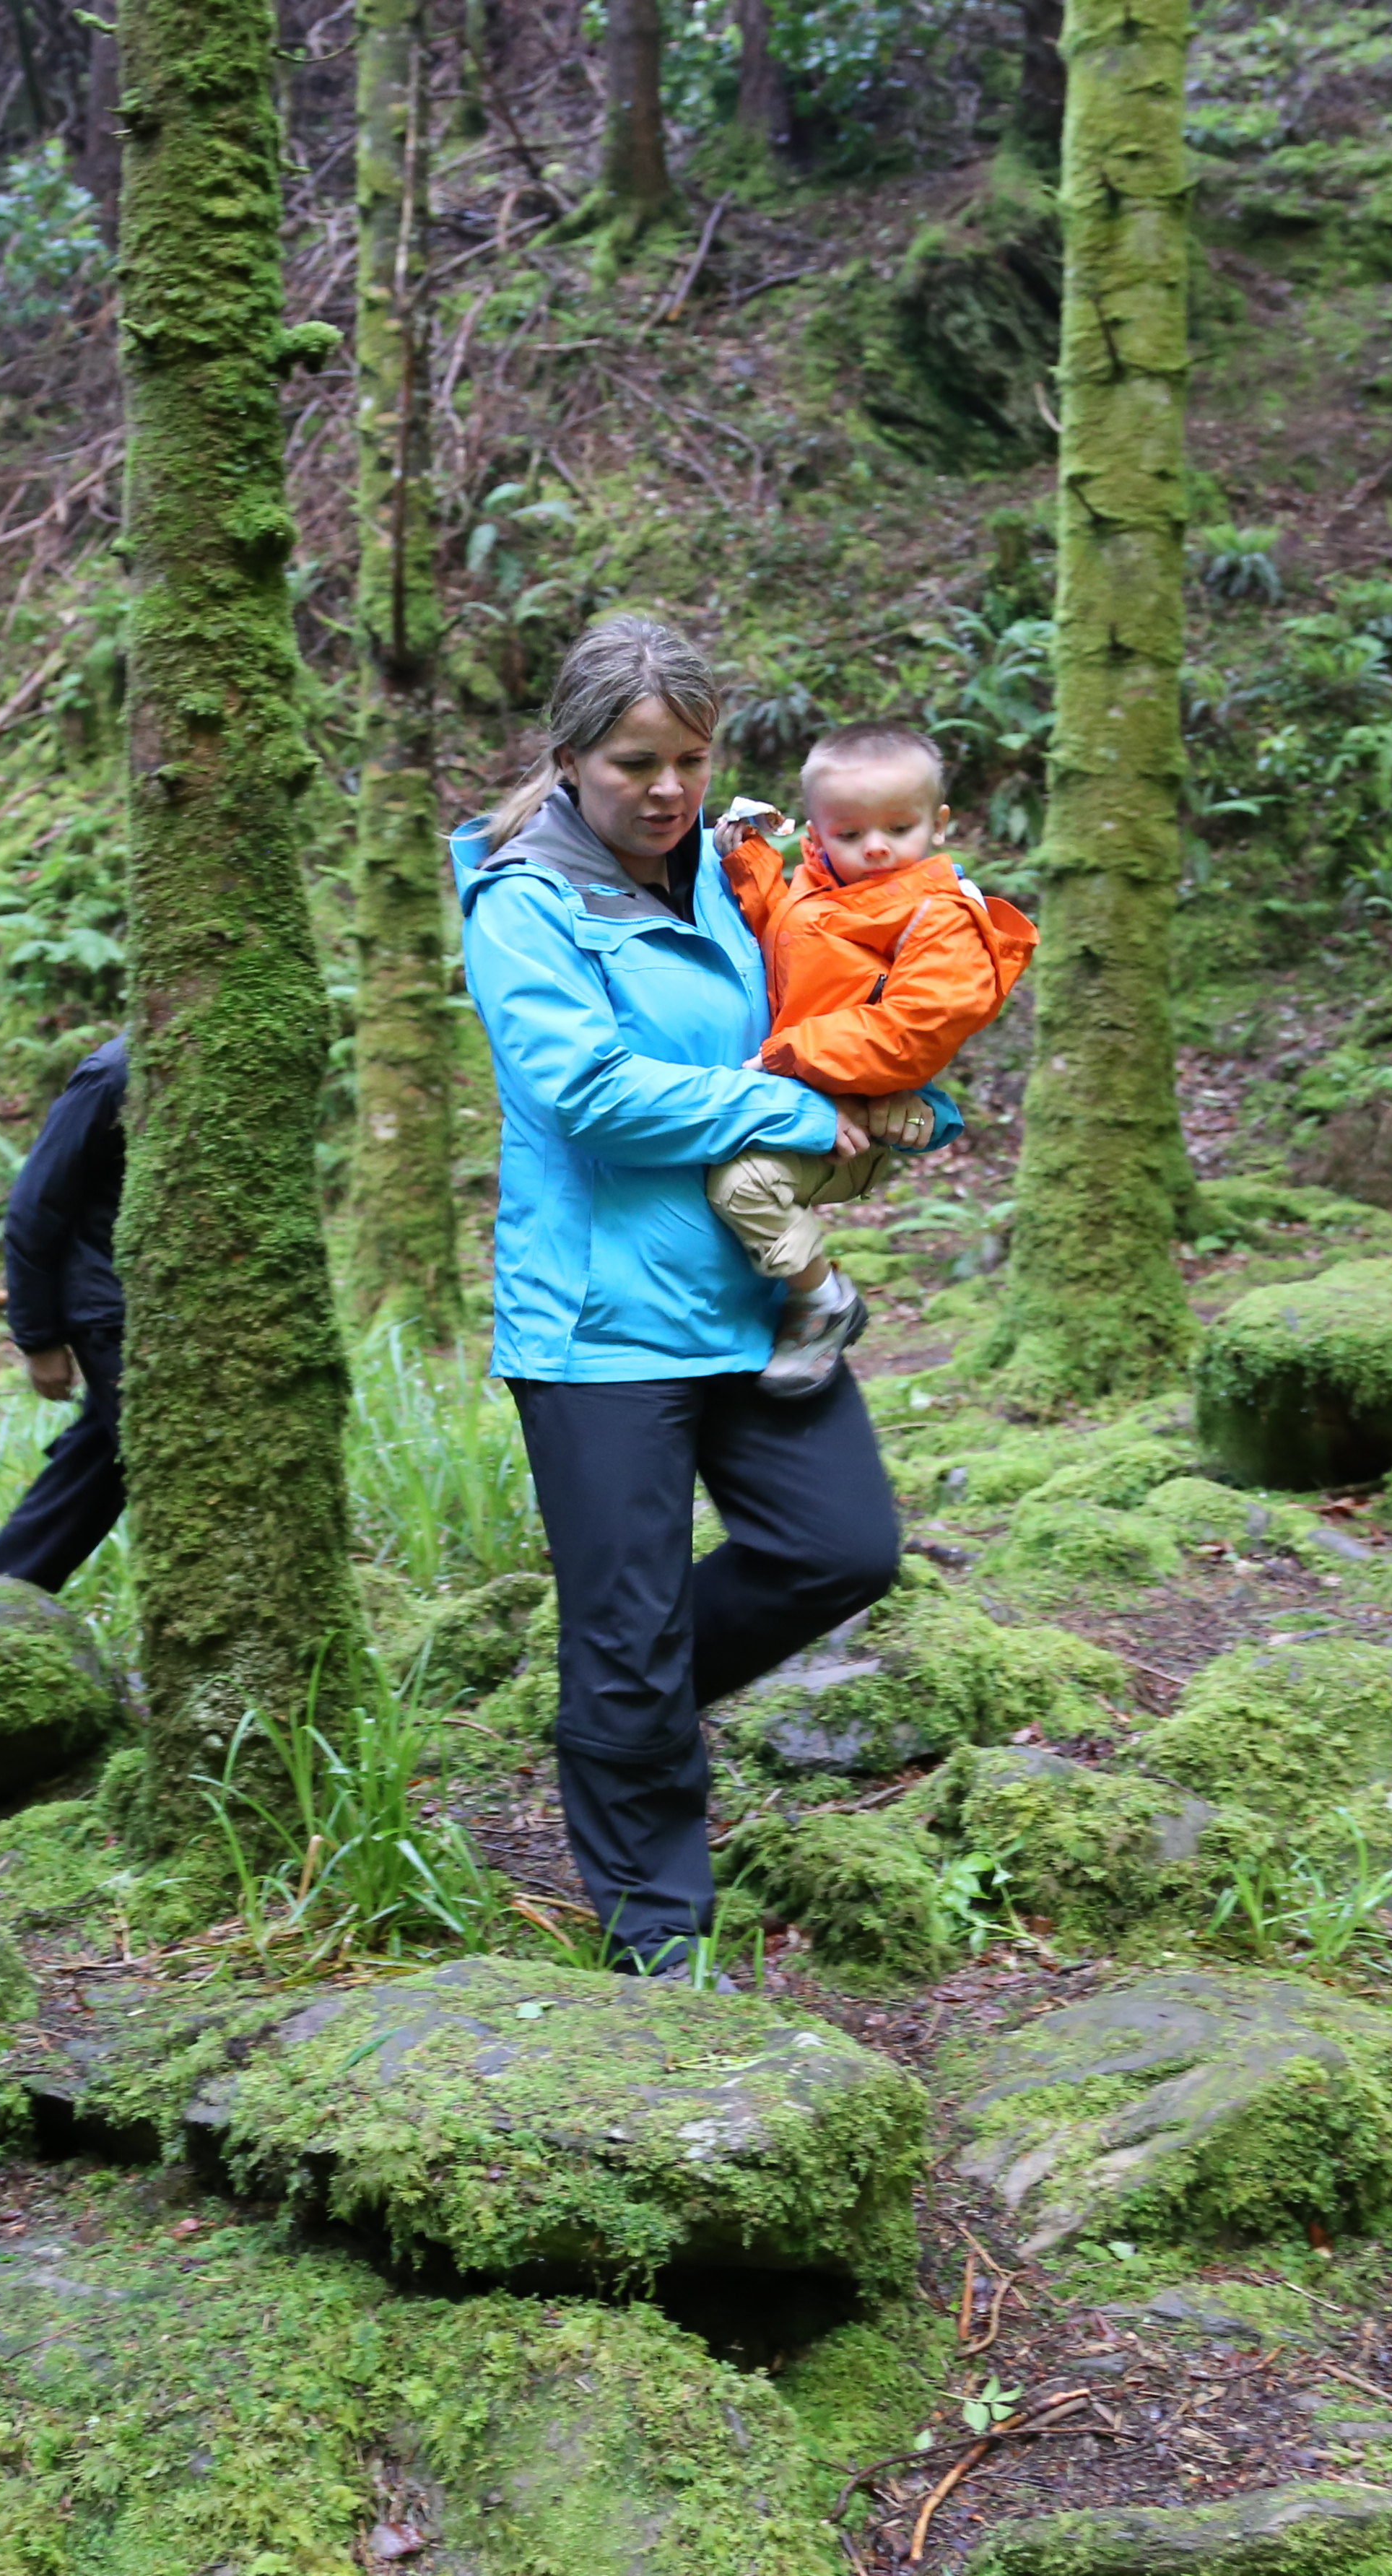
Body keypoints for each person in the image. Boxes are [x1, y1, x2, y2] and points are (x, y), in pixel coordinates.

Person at [454, 617, 908, 1977]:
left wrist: (887, 1089)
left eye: (689, 759)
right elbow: (579, 1089)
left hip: (751, 1292)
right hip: (602, 1323)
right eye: (634, 761)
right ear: (573, 755)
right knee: (628, 1623)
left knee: (842, 1547)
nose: (664, 788)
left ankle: (616, 1712)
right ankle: (659, 1924)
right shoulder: (523, 898)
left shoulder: (731, 865)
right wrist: (783, 1103)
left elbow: (833, 982)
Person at [704, 721, 1037, 1392]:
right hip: (803, 1088)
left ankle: (822, 1300)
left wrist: (793, 1053)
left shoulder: (941, 917)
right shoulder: (822, 887)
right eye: (851, 835)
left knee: (740, 1186)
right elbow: (788, 932)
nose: (877, 848)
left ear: (938, 824)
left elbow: (913, 1030)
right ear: (819, 834)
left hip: (855, 1113)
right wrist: (749, 861)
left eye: (899, 828)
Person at [0, 1033, 127, 1592]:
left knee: (100, 1464)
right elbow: (35, 1207)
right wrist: (39, 1339)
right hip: (111, 1312)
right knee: (163, 1461)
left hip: (160, 1309)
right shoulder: (113, 1075)